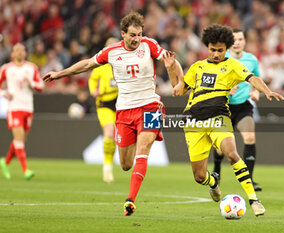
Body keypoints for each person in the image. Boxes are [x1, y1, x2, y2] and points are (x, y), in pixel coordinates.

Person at [42, 11, 183, 216]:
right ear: (123, 33)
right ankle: (132, 151)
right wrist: (59, 74)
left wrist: (179, 81)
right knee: (125, 164)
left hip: (150, 105)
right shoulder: (111, 52)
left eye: (139, 34)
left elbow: (171, 61)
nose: (137, 39)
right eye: (133, 35)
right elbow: (87, 64)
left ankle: (130, 200)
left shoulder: (149, 45)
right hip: (124, 111)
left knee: (143, 149)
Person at [170, 24, 284, 216]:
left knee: (232, 154)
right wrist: (171, 67)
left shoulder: (232, 66)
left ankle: (254, 200)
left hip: (218, 118)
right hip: (193, 122)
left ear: (227, 49)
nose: (216, 54)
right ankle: (213, 182)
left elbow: (252, 78)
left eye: (220, 50)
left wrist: (267, 90)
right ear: (207, 47)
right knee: (199, 176)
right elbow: (179, 90)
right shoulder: (197, 67)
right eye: (213, 50)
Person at [212, 28, 263, 191]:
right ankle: (216, 173)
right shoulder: (221, 58)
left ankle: (249, 180)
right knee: (220, 149)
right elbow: (212, 83)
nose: (237, 42)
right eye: (234, 39)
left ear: (245, 41)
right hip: (223, 107)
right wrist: (225, 90)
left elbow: (256, 79)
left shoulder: (251, 59)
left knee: (249, 137)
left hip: (242, 106)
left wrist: (256, 91)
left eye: (240, 39)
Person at [0, 43, 44, 180]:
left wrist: (31, 83)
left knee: (20, 141)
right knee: (19, 139)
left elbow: (41, 85)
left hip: (28, 108)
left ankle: (5, 162)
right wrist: (3, 93)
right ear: (12, 54)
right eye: (16, 50)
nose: (19, 52)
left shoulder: (31, 68)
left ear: (25, 53)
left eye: (22, 50)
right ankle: (25, 170)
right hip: (14, 107)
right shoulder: (6, 69)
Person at [88, 37, 119, 183]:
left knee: (118, 137)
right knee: (109, 133)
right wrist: (94, 91)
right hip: (105, 103)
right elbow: (92, 80)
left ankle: (111, 163)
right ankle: (107, 167)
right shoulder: (100, 66)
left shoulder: (122, 65)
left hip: (120, 103)